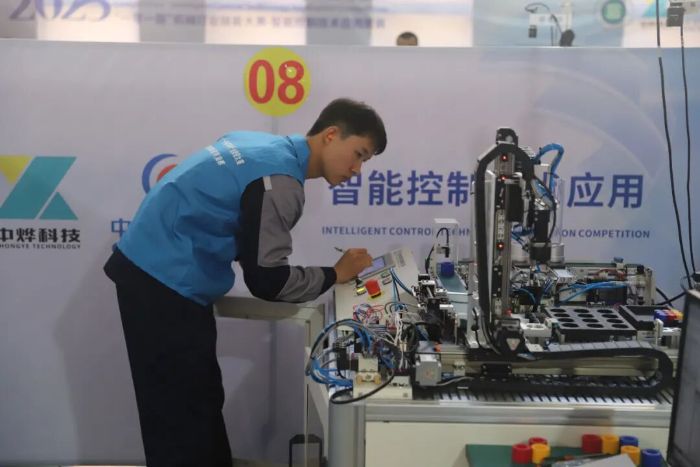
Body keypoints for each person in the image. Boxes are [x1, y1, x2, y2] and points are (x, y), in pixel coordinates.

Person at [104, 98, 386, 466]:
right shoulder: (281, 182)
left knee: (191, 403)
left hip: (151, 267)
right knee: (182, 415)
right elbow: (268, 281)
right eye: (358, 154)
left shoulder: (258, 143)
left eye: (365, 161)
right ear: (331, 135)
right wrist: (335, 274)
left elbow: (235, 222)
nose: (357, 170)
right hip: (163, 280)